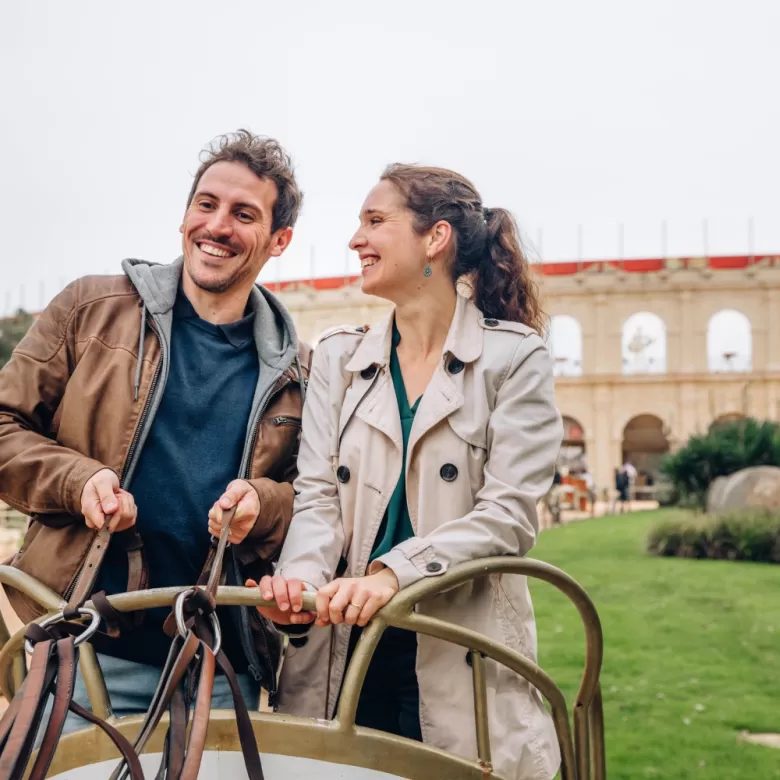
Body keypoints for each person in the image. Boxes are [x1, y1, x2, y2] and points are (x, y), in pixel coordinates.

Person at [252, 164, 564, 779]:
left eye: (375, 221)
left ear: (435, 238)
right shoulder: (340, 357)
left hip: (458, 654)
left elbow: (508, 517)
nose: (355, 239)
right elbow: (317, 499)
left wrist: (396, 573)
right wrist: (299, 583)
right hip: (343, 653)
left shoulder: (514, 358)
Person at [0, 129, 309, 722]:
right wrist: (76, 481)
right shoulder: (89, 309)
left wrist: (262, 504)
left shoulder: (302, 372)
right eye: (206, 204)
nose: (217, 226)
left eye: (244, 214)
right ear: (184, 215)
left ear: (279, 240)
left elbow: (313, 500)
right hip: (78, 649)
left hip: (222, 664)